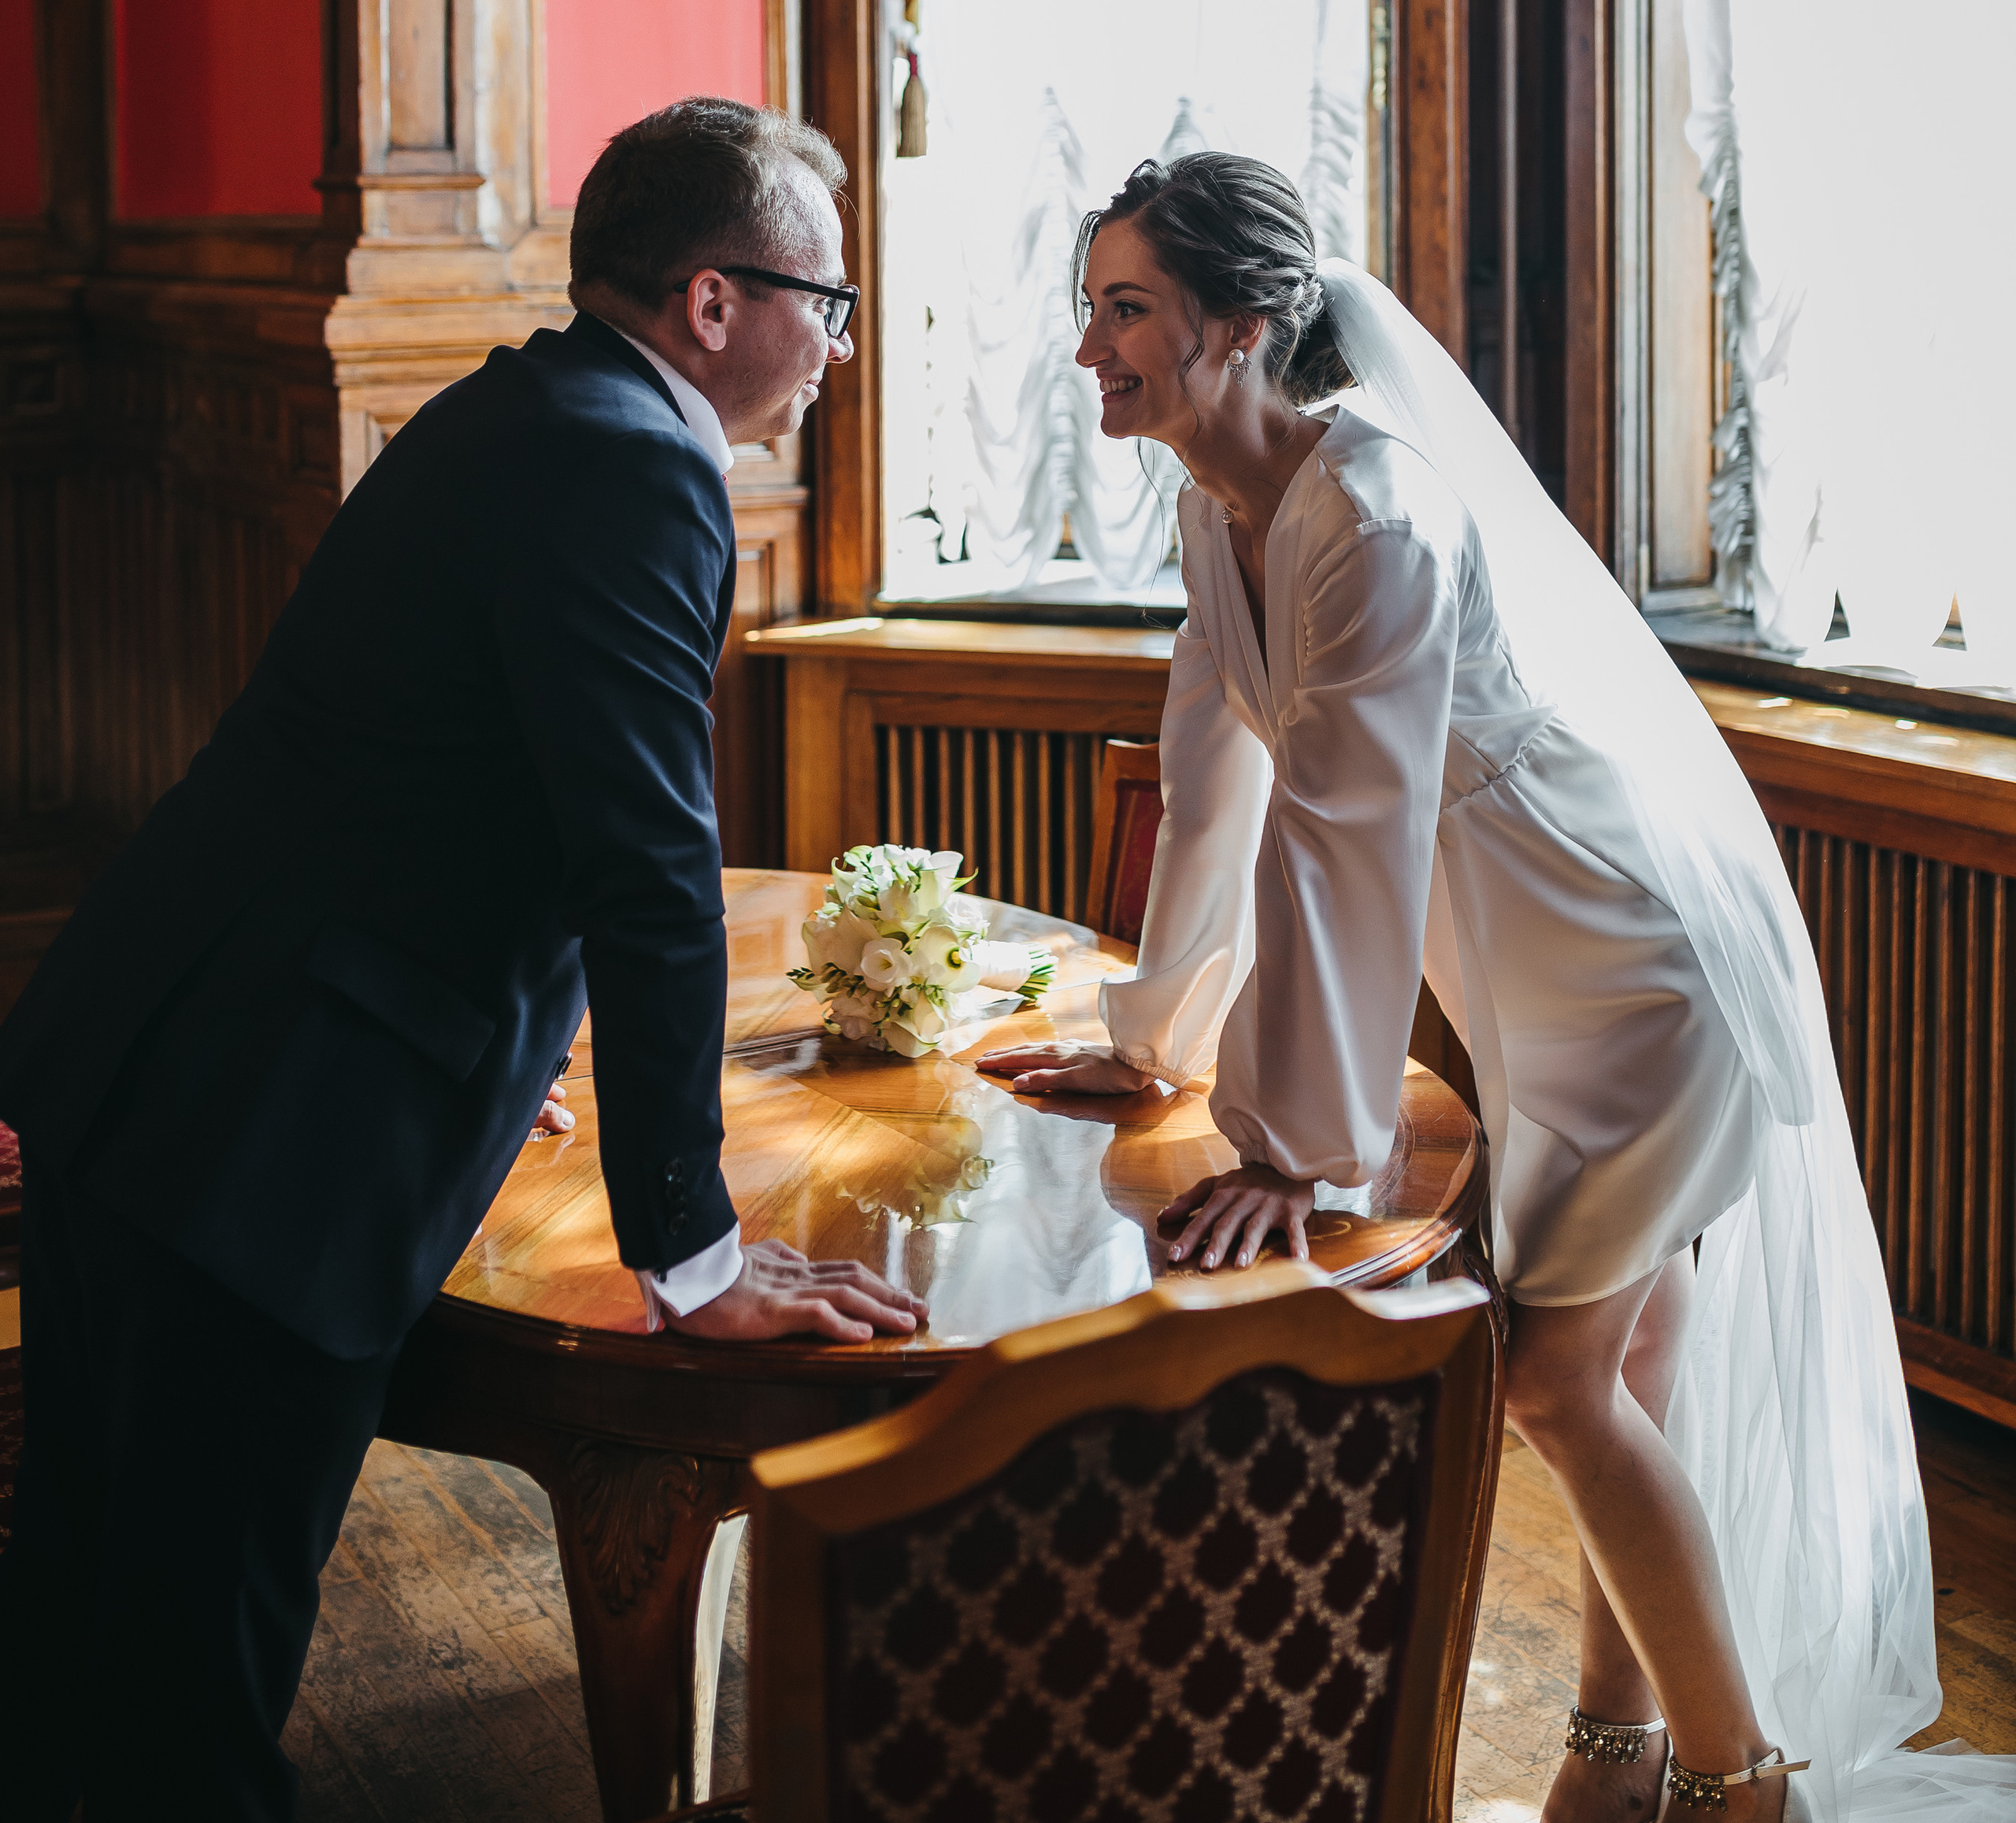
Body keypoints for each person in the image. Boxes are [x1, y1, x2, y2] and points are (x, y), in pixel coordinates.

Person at [985, 152, 2014, 1823]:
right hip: (1526, 990)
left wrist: (1288, 1147)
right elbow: (1212, 783)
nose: (1088, 349)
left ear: (1241, 324)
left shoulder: (1370, 512)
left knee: (1548, 1385)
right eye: (1086, 308)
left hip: (1628, 981)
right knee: (1625, 1374)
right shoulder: (1212, 502)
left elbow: (1346, 839)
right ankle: (1610, 1764)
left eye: (1124, 310)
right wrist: (1154, 1037)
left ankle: (1736, 1785)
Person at [0, 95, 925, 1819]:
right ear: (711, 305)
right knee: (191, 1689)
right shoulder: (630, 457)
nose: (838, 349)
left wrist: (529, 1066)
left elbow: (444, 794)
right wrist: (696, 1253)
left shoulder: (531, 406)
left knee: (88, 1630)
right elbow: (647, 869)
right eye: (828, 301)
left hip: (160, 1054)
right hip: (270, 1129)